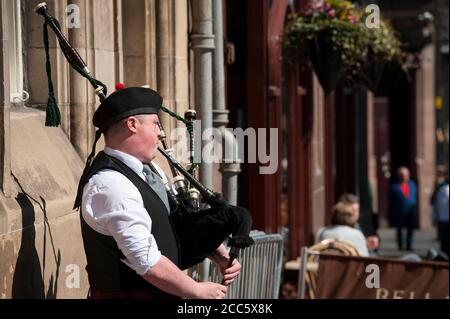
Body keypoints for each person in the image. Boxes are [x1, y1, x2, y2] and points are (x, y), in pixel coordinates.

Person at [74, 87, 240, 299]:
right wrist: (195, 289)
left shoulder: (151, 170)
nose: (161, 133)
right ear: (132, 125)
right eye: (156, 123)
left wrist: (216, 251)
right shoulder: (110, 185)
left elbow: (177, 221)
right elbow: (146, 260)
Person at [389, 166, 418, 251]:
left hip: (410, 211)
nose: (404, 177)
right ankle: (400, 246)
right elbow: (391, 200)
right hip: (399, 211)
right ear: (398, 176)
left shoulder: (412, 184)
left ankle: (409, 245)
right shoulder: (394, 186)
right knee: (399, 229)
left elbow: (414, 197)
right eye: (402, 175)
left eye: (405, 175)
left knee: (410, 229)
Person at [431, 166, 449, 256]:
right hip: (443, 218)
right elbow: (435, 203)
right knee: (443, 242)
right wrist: (434, 217)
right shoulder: (441, 187)